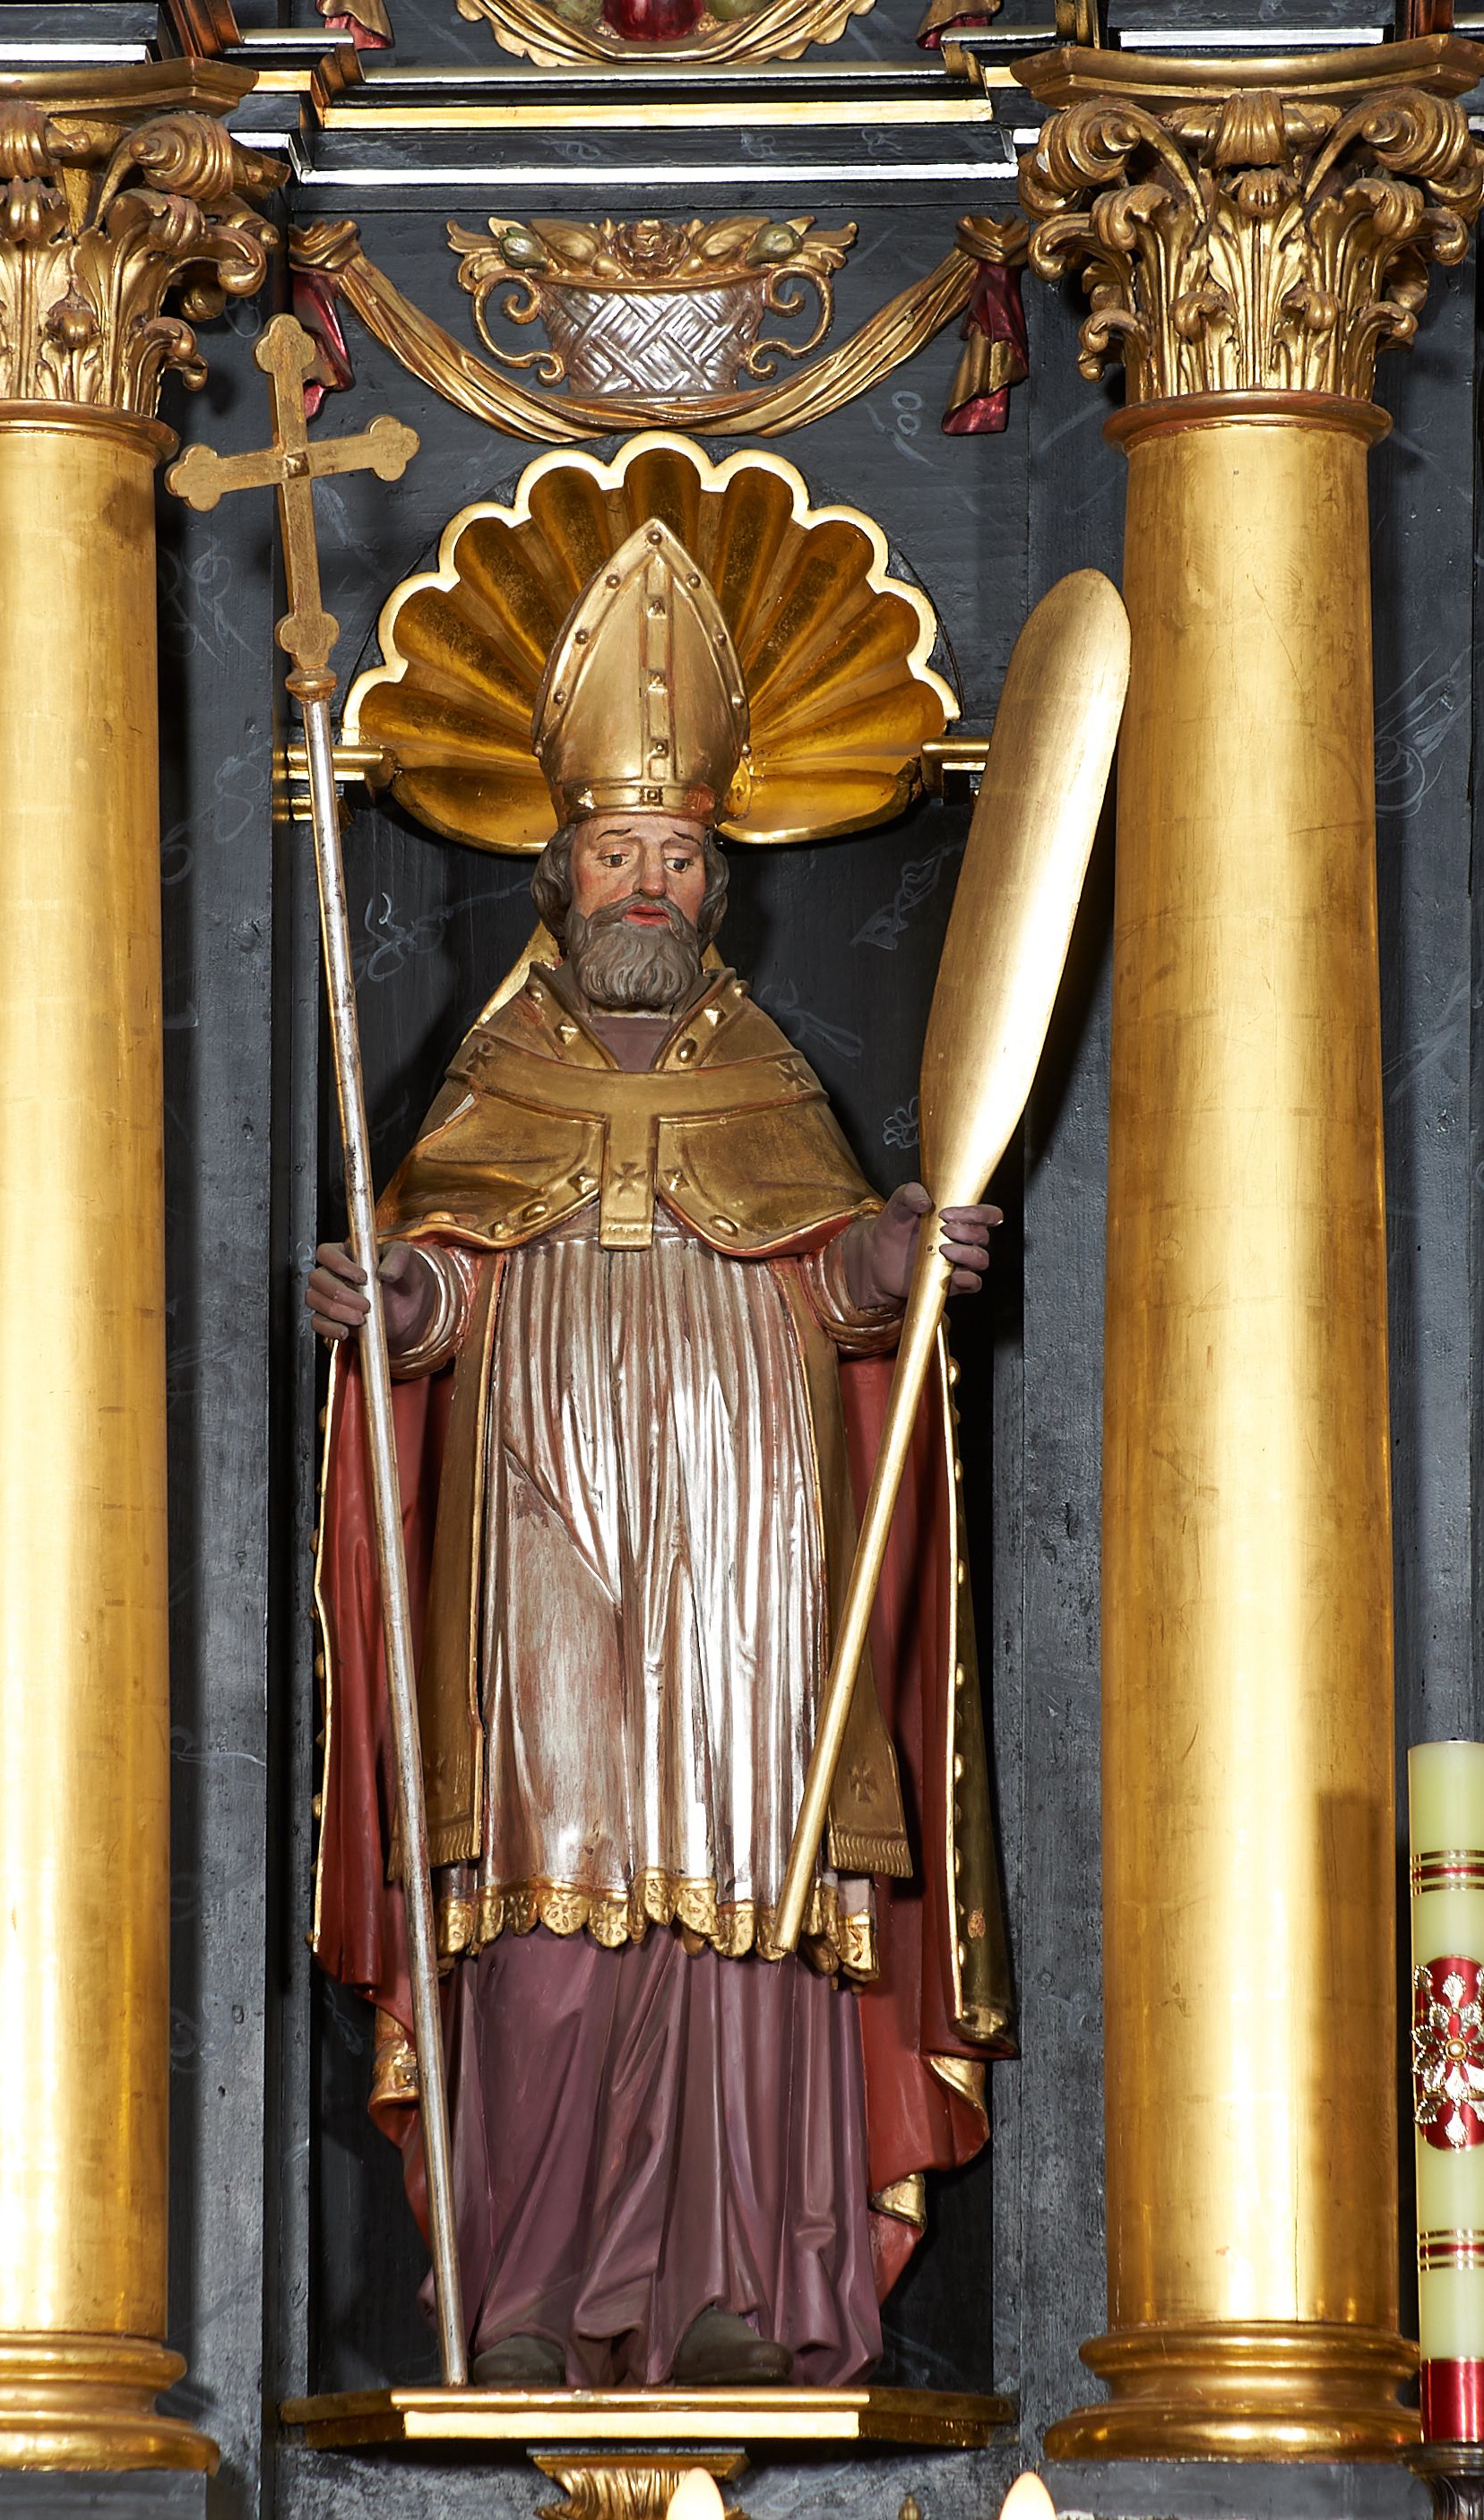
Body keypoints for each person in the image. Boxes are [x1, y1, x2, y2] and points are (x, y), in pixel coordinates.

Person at [309, 518, 1012, 2391]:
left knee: (755, 1907)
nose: (649, 883)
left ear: (717, 886)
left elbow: (834, 1273)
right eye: (619, 852)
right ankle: (529, 2295)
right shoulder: (487, 1083)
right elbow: (440, 1287)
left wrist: (896, 1260)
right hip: (538, 1539)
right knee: (539, 1915)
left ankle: (755, 2289)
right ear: (559, 875)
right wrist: (394, 1298)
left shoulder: (771, 1081)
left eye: (680, 856)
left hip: (751, 1549)